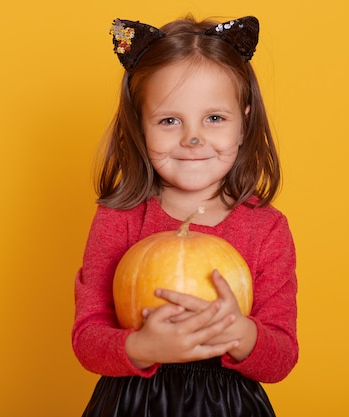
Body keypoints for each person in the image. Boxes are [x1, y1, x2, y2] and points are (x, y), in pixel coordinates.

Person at [72, 15, 298, 417]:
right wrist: (142, 347)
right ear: (140, 128)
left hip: (226, 405)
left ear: (243, 122)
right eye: (169, 120)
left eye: (214, 118)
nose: (192, 138)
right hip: (133, 404)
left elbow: (281, 358)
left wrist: (239, 333)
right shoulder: (118, 217)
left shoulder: (266, 228)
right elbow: (88, 339)